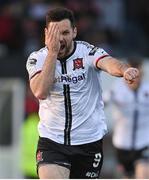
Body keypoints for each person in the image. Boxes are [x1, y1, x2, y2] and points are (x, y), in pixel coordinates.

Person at [26, 7, 139, 179]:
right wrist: (52, 53)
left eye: (65, 32)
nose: (60, 39)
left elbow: (108, 63)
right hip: (53, 141)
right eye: (56, 34)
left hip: (88, 142)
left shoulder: (87, 52)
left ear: (74, 32)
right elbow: (40, 91)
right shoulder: (38, 58)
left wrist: (125, 70)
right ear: (46, 33)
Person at [104, 57, 149, 179]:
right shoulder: (116, 90)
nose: (134, 79)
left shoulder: (147, 90)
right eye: (131, 75)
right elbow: (100, 103)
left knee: (143, 174)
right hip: (122, 145)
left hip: (144, 143)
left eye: (137, 75)